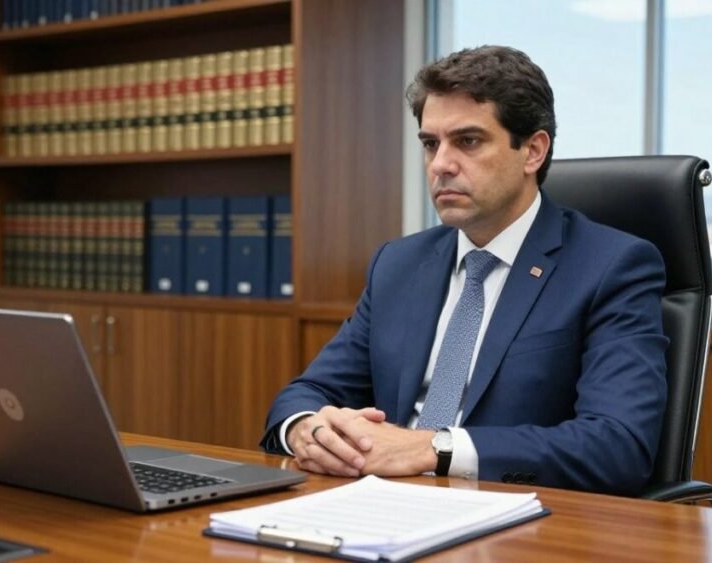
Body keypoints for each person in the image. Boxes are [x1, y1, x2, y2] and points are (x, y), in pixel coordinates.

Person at [260, 45, 668, 496]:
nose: (440, 165)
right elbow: (307, 392)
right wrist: (306, 430)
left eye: (468, 141)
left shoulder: (611, 266)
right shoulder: (398, 264)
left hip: (517, 523)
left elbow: (618, 445)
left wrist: (434, 449)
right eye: (431, 144)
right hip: (381, 505)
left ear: (533, 150)